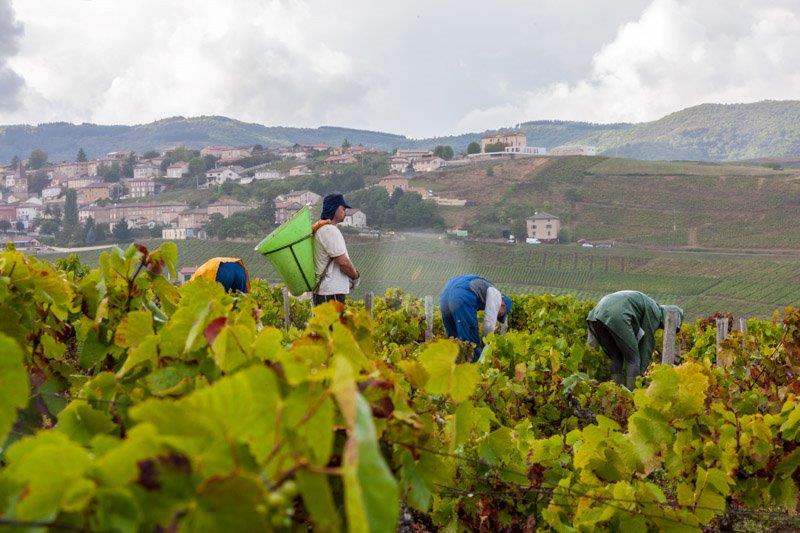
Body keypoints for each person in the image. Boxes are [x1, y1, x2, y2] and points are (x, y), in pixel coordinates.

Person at [586, 290, 683, 389]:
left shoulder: (650, 305)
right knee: (633, 359)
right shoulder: (656, 313)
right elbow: (647, 342)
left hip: (597, 314)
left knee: (617, 357)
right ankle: (632, 394)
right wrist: (641, 371)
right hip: (616, 314)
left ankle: (615, 393)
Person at [439, 274, 512, 362]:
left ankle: (452, 366)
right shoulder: (496, 295)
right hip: (461, 295)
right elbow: (489, 325)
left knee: (453, 338)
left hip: (445, 293)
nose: (497, 316)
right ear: (503, 305)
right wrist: (486, 345)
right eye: (500, 315)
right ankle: (475, 369)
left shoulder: (486, 287)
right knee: (471, 342)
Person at [312, 193, 360, 306]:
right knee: (332, 324)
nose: (345, 212)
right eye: (343, 208)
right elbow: (343, 262)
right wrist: (356, 276)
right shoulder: (329, 230)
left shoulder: (322, 229)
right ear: (335, 208)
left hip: (325, 292)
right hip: (330, 293)